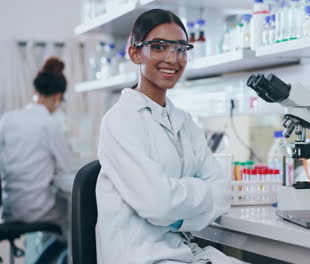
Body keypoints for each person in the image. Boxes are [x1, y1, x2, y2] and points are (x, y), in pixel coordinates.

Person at [96, 9, 243, 264]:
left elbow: (222, 191)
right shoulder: (119, 122)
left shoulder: (184, 122)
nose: (173, 58)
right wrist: (194, 196)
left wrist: (174, 208)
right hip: (141, 257)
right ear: (134, 53)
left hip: (184, 254)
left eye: (181, 49)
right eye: (159, 47)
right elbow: (159, 204)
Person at [0, 57, 73, 252]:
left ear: (35, 92)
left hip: (9, 211)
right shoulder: (49, 124)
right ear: (58, 97)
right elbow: (64, 177)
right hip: (37, 212)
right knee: (74, 221)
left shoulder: (7, 119)